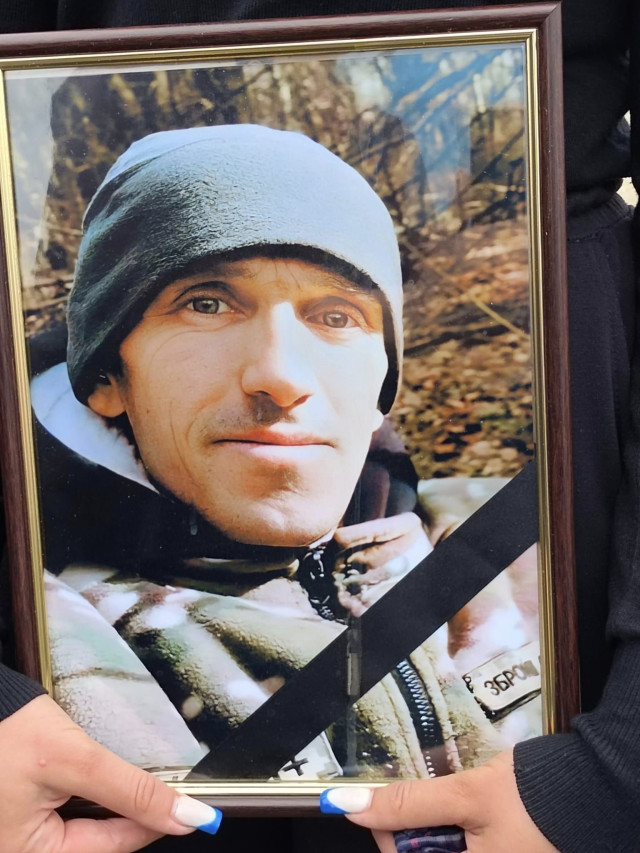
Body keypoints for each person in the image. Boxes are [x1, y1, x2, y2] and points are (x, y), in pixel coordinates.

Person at [0, 1, 638, 852]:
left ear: (381, 383)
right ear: (108, 375)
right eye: (206, 303)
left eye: (337, 316)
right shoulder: (61, 620)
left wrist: (617, 769)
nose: (281, 376)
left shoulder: (507, 550)